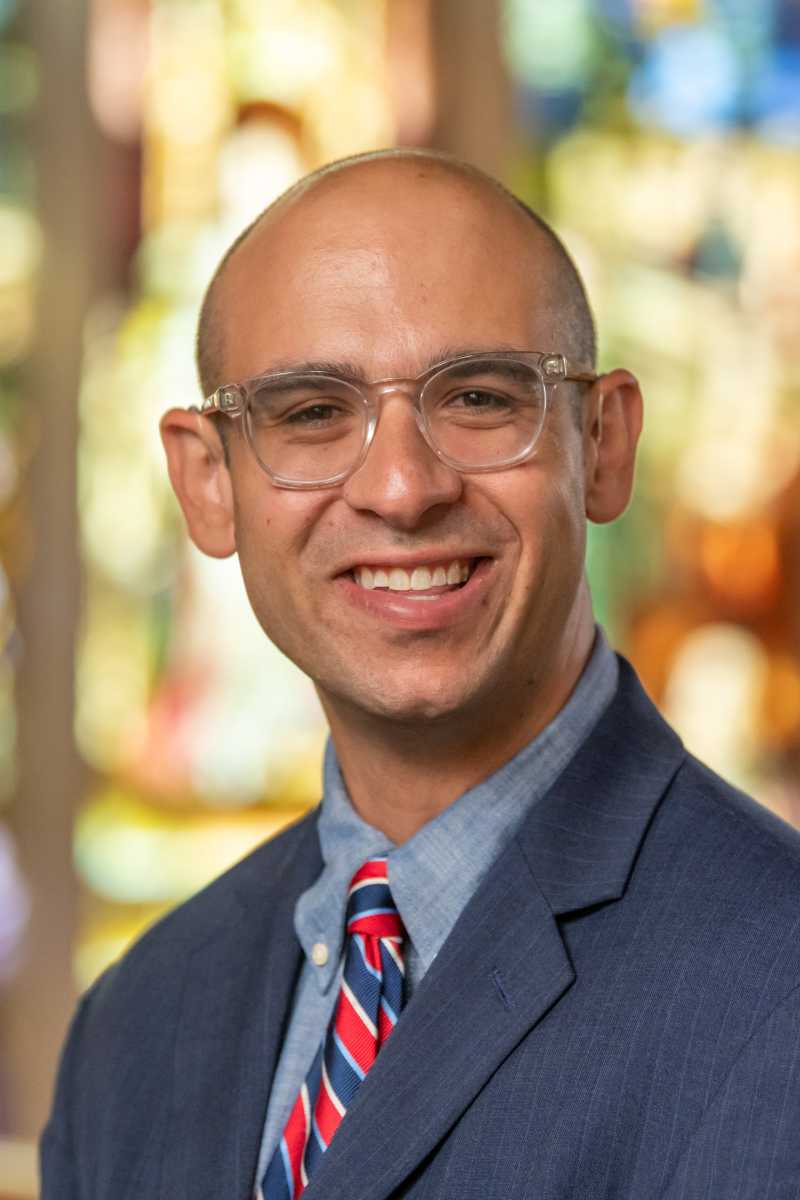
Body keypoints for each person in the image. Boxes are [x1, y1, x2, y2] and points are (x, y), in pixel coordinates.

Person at [41, 149, 800, 1199]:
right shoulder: (136, 1025)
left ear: (604, 441)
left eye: (480, 399)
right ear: (206, 483)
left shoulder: (777, 986)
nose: (401, 489)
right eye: (310, 412)